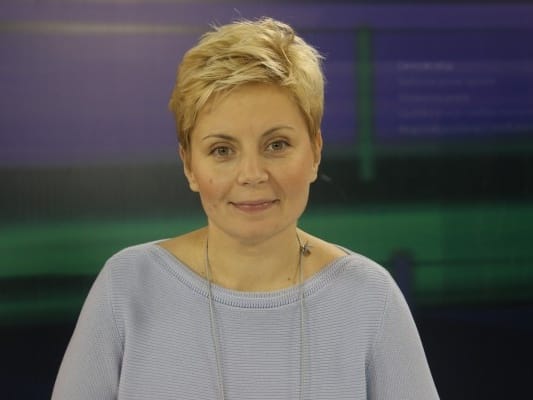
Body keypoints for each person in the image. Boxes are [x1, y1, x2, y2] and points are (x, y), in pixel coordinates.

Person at [52, 17, 439, 400]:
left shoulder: (371, 298)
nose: (252, 174)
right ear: (189, 165)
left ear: (316, 152)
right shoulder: (126, 288)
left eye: (277, 145)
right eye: (222, 150)